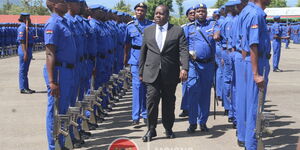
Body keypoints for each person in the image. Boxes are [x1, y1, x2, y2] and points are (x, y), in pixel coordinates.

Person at [139, 5, 189, 142]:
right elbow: (143, 52)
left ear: (167, 16)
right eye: (156, 13)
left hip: (170, 73)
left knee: (169, 102)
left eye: (161, 14)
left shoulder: (177, 30)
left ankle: (168, 128)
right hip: (151, 72)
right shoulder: (148, 31)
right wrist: (140, 71)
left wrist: (184, 68)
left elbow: (183, 50)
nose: (157, 16)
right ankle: (151, 129)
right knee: (152, 101)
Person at [44, 0, 77, 149]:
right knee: (55, 110)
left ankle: (62, 143)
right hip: (58, 72)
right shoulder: (53, 23)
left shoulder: (64, 22)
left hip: (67, 70)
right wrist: (52, 82)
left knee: (63, 109)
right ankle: (53, 145)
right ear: (54, 4)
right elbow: (50, 53)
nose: (66, 4)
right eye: (63, 2)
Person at [184, 3, 220, 133]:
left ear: (206, 13)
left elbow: (218, 32)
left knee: (205, 94)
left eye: (203, 11)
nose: (201, 13)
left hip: (209, 64)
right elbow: (183, 46)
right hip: (194, 64)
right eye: (198, 11)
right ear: (195, 13)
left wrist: (217, 34)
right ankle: (192, 122)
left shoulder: (213, 25)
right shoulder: (188, 28)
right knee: (193, 91)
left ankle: (203, 122)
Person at [240, 0, 271, 149]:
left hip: (251, 62)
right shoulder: (255, 13)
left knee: (250, 106)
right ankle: (252, 146)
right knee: (255, 109)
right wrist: (256, 73)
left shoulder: (248, 11)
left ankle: (249, 142)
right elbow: (253, 44)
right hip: (257, 62)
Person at [124, 2, 153, 126]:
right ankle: (135, 116)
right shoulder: (130, 26)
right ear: (135, 11)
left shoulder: (152, 25)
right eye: (138, 10)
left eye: (142, 10)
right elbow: (126, 44)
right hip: (136, 61)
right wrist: (125, 59)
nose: (140, 12)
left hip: (149, 60)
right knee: (137, 87)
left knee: (147, 88)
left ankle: (146, 114)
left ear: (146, 12)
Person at [179, 5, 196, 118]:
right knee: (186, 83)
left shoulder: (203, 26)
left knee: (197, 85)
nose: (193, 15)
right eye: (191, 13)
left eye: (194, 13)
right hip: (188, 59)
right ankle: (185, 108)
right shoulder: (184, 28)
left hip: (200, 60)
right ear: (187, 16)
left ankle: (196, 107)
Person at [17, 13, 36, 94]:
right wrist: (25, 53)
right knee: (23, 70)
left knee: (26, 70)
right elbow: (22, 41)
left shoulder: (27, 27)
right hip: (24, 49)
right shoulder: (22, 27)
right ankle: (23, 88)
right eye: (28, 18)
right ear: (24, 19)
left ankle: (26, 87)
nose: (30, 19)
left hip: (28, 49)